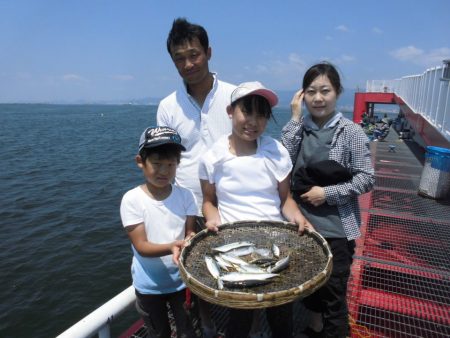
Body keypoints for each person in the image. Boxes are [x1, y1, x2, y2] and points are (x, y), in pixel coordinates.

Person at [199, 81, 313, 338]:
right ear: (230, 111)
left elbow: (285, 200)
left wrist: (298, 217)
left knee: (281, 316)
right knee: (239, 319)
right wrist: (212, 220)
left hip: (276, 243)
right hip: (236, 248)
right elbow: (209, 201)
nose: (253, 121)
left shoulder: (276, 151)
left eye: (261, 114)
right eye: (246, 111)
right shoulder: (212, 157)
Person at [281, 62, 375, 337]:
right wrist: (295, 119)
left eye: (325, 91)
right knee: (309, 284)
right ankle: (313, 327)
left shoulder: (351, 132)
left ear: (337, 93)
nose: (318, 98)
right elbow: (282, 163)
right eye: (311, 91)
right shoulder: (301, 128)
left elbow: (366, 178)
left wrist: (327, 193)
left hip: (336, 228)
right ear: (302, 96)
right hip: (302, 224)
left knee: (334, 294)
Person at [156, 17, 236, 337]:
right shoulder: (167, 106)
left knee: (238, 263)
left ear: (209, 52)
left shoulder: (235, 96)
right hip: (187, 204)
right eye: (179, 57)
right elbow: (165, 160)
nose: (187, 63)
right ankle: (205, 321)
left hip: (231, 201)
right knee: (197, 268)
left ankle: (247, 321)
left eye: (194, 54)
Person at [120, 126, 197, 338]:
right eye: (156, 164)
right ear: (140, 162)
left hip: (182, 281)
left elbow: (189, 231)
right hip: (149, 287)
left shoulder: (186, 196)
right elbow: (141, 246)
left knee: (188, 330)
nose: (164, 171)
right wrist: (173, 246)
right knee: (158, 332)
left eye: (171, 164)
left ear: (178, 164)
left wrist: (190, 239)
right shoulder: (132, 200)